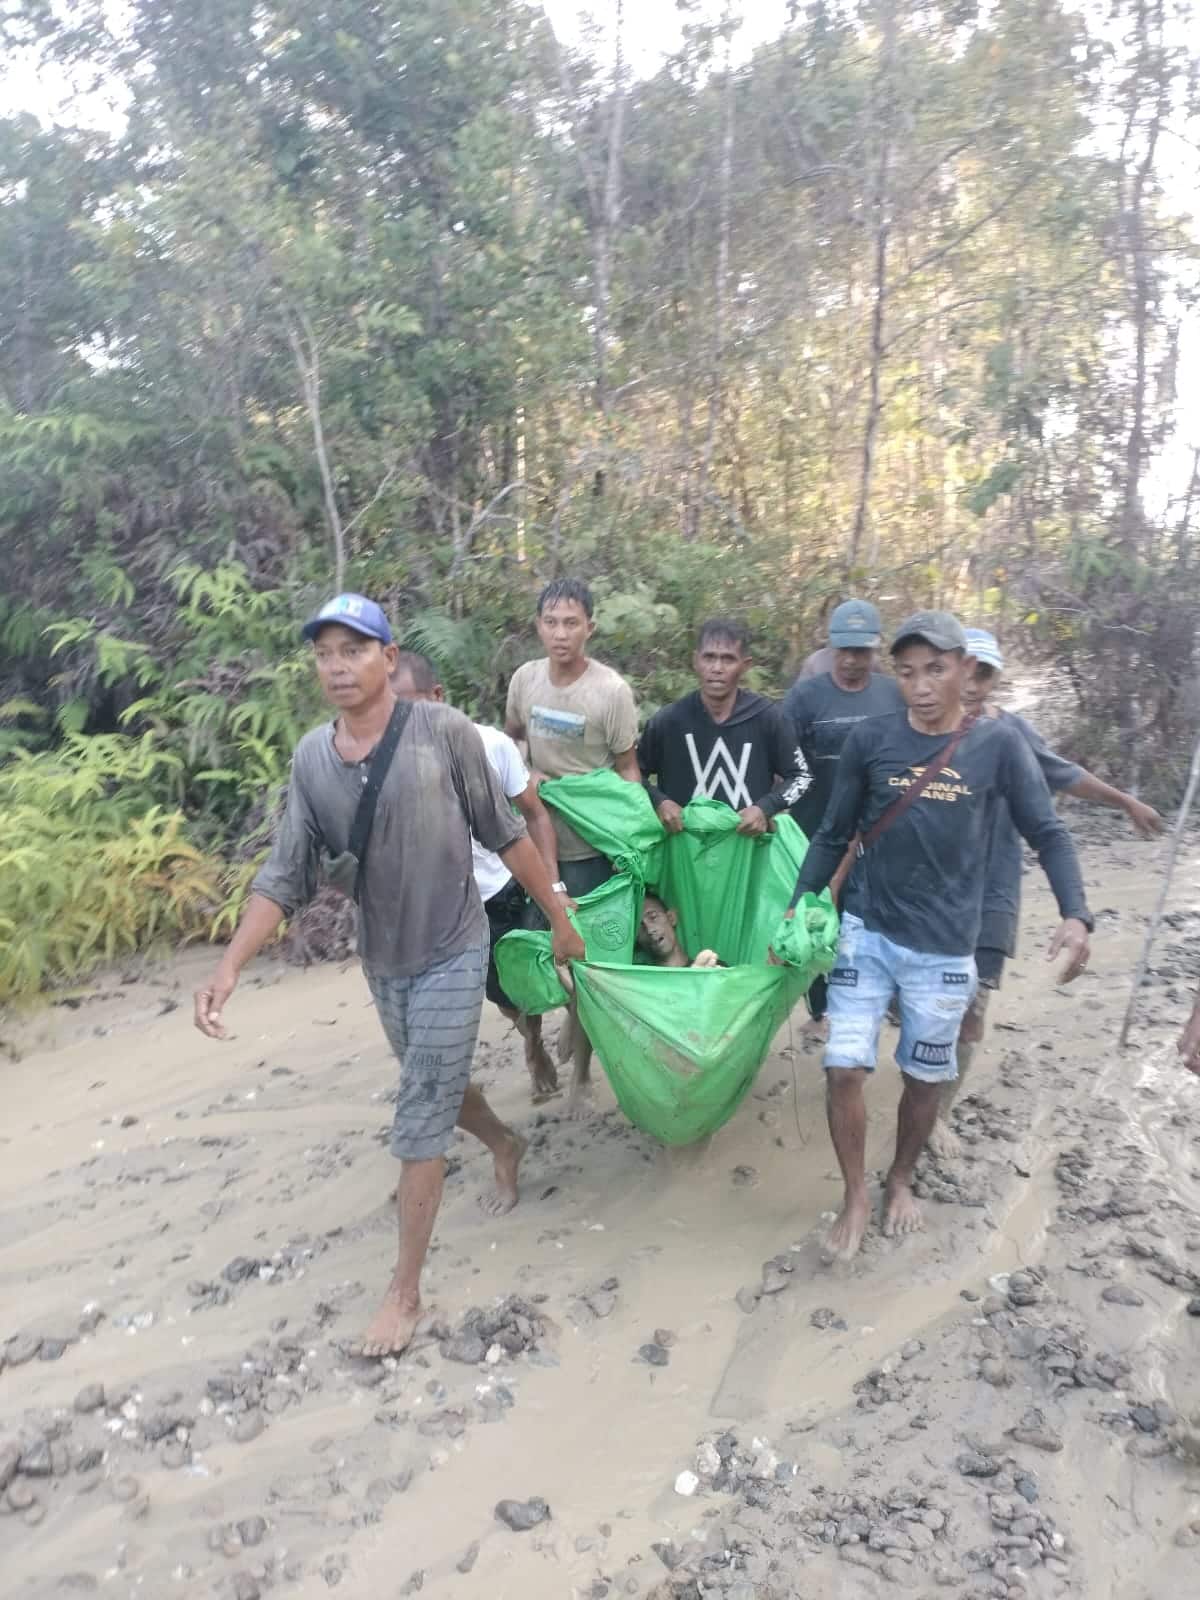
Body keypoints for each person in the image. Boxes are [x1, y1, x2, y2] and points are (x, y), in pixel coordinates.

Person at [193, 593, 585, 1358]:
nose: (337, 666)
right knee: (433, 1087)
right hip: (384, 955)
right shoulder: (313, 759)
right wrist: (230, 964)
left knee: (419, 1115)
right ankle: (504, 1144)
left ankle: (402, 1294)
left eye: (353, 650)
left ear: (389, 657)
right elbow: (285, 872)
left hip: (454, 944)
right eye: (325, 654)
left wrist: (561, 918)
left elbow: (507, 835)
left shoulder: (444, 734)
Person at [783, 610, 1093, 1264]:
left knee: (924, 1081)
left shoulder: (998, 746)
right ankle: (854, 1195)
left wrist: (1076, 913)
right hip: (867, 931)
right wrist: (796, 906)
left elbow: (1049, 833)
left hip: (948, 946)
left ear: (964, 671)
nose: (920, 685)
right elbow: (833, 835)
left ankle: (898, 1179)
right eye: (907, 672)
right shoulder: (873, 741)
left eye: (935, 669)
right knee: (844, 1067)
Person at [928, 627, 1164, 1158]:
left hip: (992, 892)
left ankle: (937, 1113)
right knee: (923, 1000)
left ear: (992, 678)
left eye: (983, 672)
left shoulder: (1012, 735)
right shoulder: (916, 727)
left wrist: (1125, 801)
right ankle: (916, 1082)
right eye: (963, 667)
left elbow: (1066, 777)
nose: (972, 681)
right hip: (926, 893)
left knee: (973, 1006)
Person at [389, 648, 564, 1102]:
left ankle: (539, 1039)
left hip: (502, 889)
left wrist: (555, 888)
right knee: (497, 996)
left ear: (438, 695)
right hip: (444, 907)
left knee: (526, 981)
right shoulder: (382, 763)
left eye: (410, 704)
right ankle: (526, 1043)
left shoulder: (491, 745)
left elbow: (534, 816)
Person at [505, 577, 641, 1116]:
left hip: (589, 850)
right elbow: (511, 734)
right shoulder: (525, 679)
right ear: (538, 626)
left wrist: (632, 845)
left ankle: (584, 1075)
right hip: (529, 847)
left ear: (590, 627)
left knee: (584, 966)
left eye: (571, 623)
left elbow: (628, 769)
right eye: (551, 622)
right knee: (533, 956)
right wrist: (525, 770)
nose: (561, 634)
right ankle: (535, 1045)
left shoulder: (611, 693)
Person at [782, 599, 904, 1027]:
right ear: (831, 649)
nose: (853, 660)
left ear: (876, 650)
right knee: (818, 913)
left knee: (876, 915)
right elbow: (785, 764)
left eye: (862, 651)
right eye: (845, 650)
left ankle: (882, 995)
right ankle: (822, 1006)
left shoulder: (894, 694)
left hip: (880, 833)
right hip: (818, 828)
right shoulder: (804, 698)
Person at [637, 618, 809, 836]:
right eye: (709, 657)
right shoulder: (669, 721)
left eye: (728, 659)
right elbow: (631, 775)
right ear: (695, 661)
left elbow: (802, 777)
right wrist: (660, 802)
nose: (717, 668)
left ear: (745, 665)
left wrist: (765, 808)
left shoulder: (767, 718)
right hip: (684, 851)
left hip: (749, 851)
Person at [636, 894, 722, 968]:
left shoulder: (712, 969)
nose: (649, 930)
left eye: (653, 917)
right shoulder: (640, 982)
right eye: (640, 927)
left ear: (671, 918)